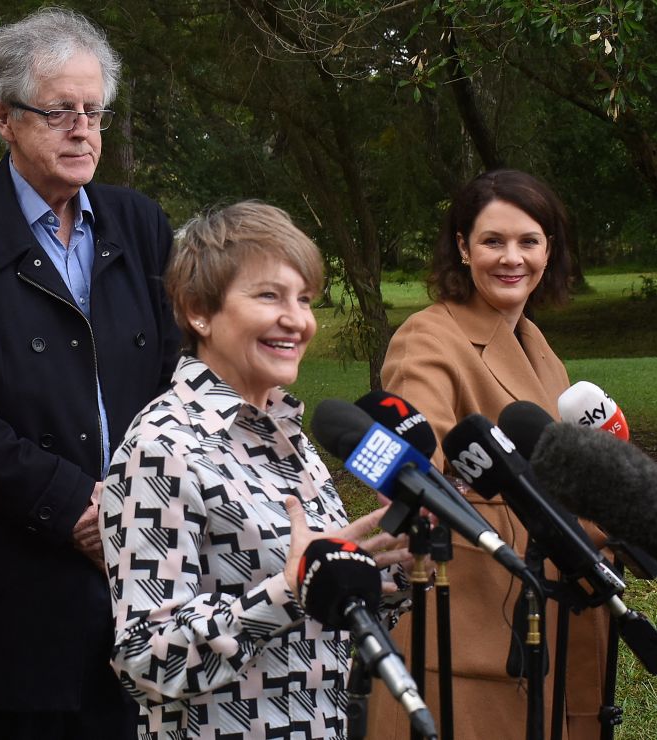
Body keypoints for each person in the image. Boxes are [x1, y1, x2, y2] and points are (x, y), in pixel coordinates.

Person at [0, 8, 180, 739]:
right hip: (10, 583)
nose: (83, 129)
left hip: (141, 575)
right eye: (60, 111)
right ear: (4, 117)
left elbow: (177, 378)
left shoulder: (140, 222)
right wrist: (73, 509)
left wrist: (135, 509)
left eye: (94, 111)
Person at [99, 201, 412, 738]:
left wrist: (398, 568)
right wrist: (285, 592)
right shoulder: (164, 446)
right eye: (269, 296)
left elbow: (323, 624)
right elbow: (146, 659)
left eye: (305, 299)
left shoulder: (287, 432)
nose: (298, 319)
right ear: (199, 310)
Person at [366, 169, 607, 739]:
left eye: (529, 241)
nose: (512, 258)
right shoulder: (428, 338)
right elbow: (413, 478)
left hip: (549, 617)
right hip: (468, 631)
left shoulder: (539, 346)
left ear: (550, 248)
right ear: (462, 247)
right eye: (493, 241)